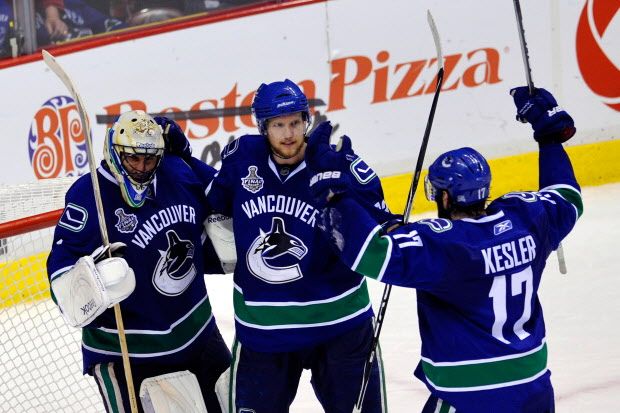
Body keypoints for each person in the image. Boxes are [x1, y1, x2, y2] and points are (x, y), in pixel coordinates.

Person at [305, 86, 582, 412]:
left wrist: (334, 192)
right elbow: (567, 197)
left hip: (468, 395)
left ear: (446, 198)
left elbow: (371, 253)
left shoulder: (444, 243)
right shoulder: (527, 217)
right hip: (533, 387)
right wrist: (548, 139)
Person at [205, 79, 389, 412]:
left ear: (306, 120)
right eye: (278, 125)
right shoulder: (242, 157)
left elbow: (383, 223)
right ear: (264, 127)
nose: (289, 133)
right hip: (265, 330)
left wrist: (342, 193)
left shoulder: (336, 161)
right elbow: (212, 206)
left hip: (339, 325)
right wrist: (181, 160)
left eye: (295, 122)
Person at [46, 110, 231, 413]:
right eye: (134, 159)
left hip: (196, 332)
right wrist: (92, 283)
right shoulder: (88, 195)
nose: (142, 168)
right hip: (125, 353)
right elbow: (60, 270)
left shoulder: (177, 172)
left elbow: (224, 198)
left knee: (232, 404)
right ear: (116, 153)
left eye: (149, 159)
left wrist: (187, 158)